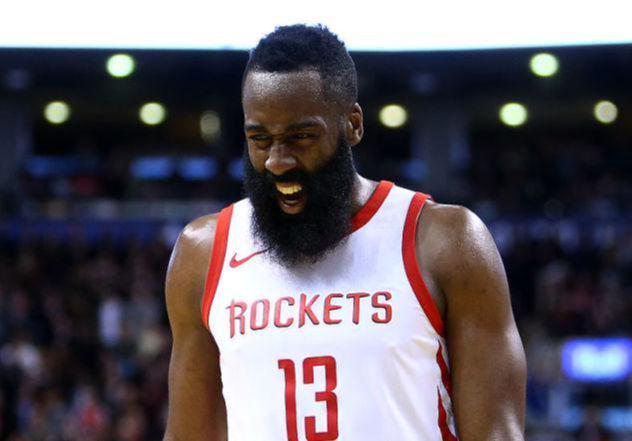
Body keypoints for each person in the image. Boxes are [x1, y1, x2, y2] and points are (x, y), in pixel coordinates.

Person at [163, 24, 526, 441]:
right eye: (259, 139)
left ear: (353, 124)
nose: (277, 160)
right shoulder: (203, 252)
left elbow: (497, 434)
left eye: (301, 137)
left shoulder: (445, 241)